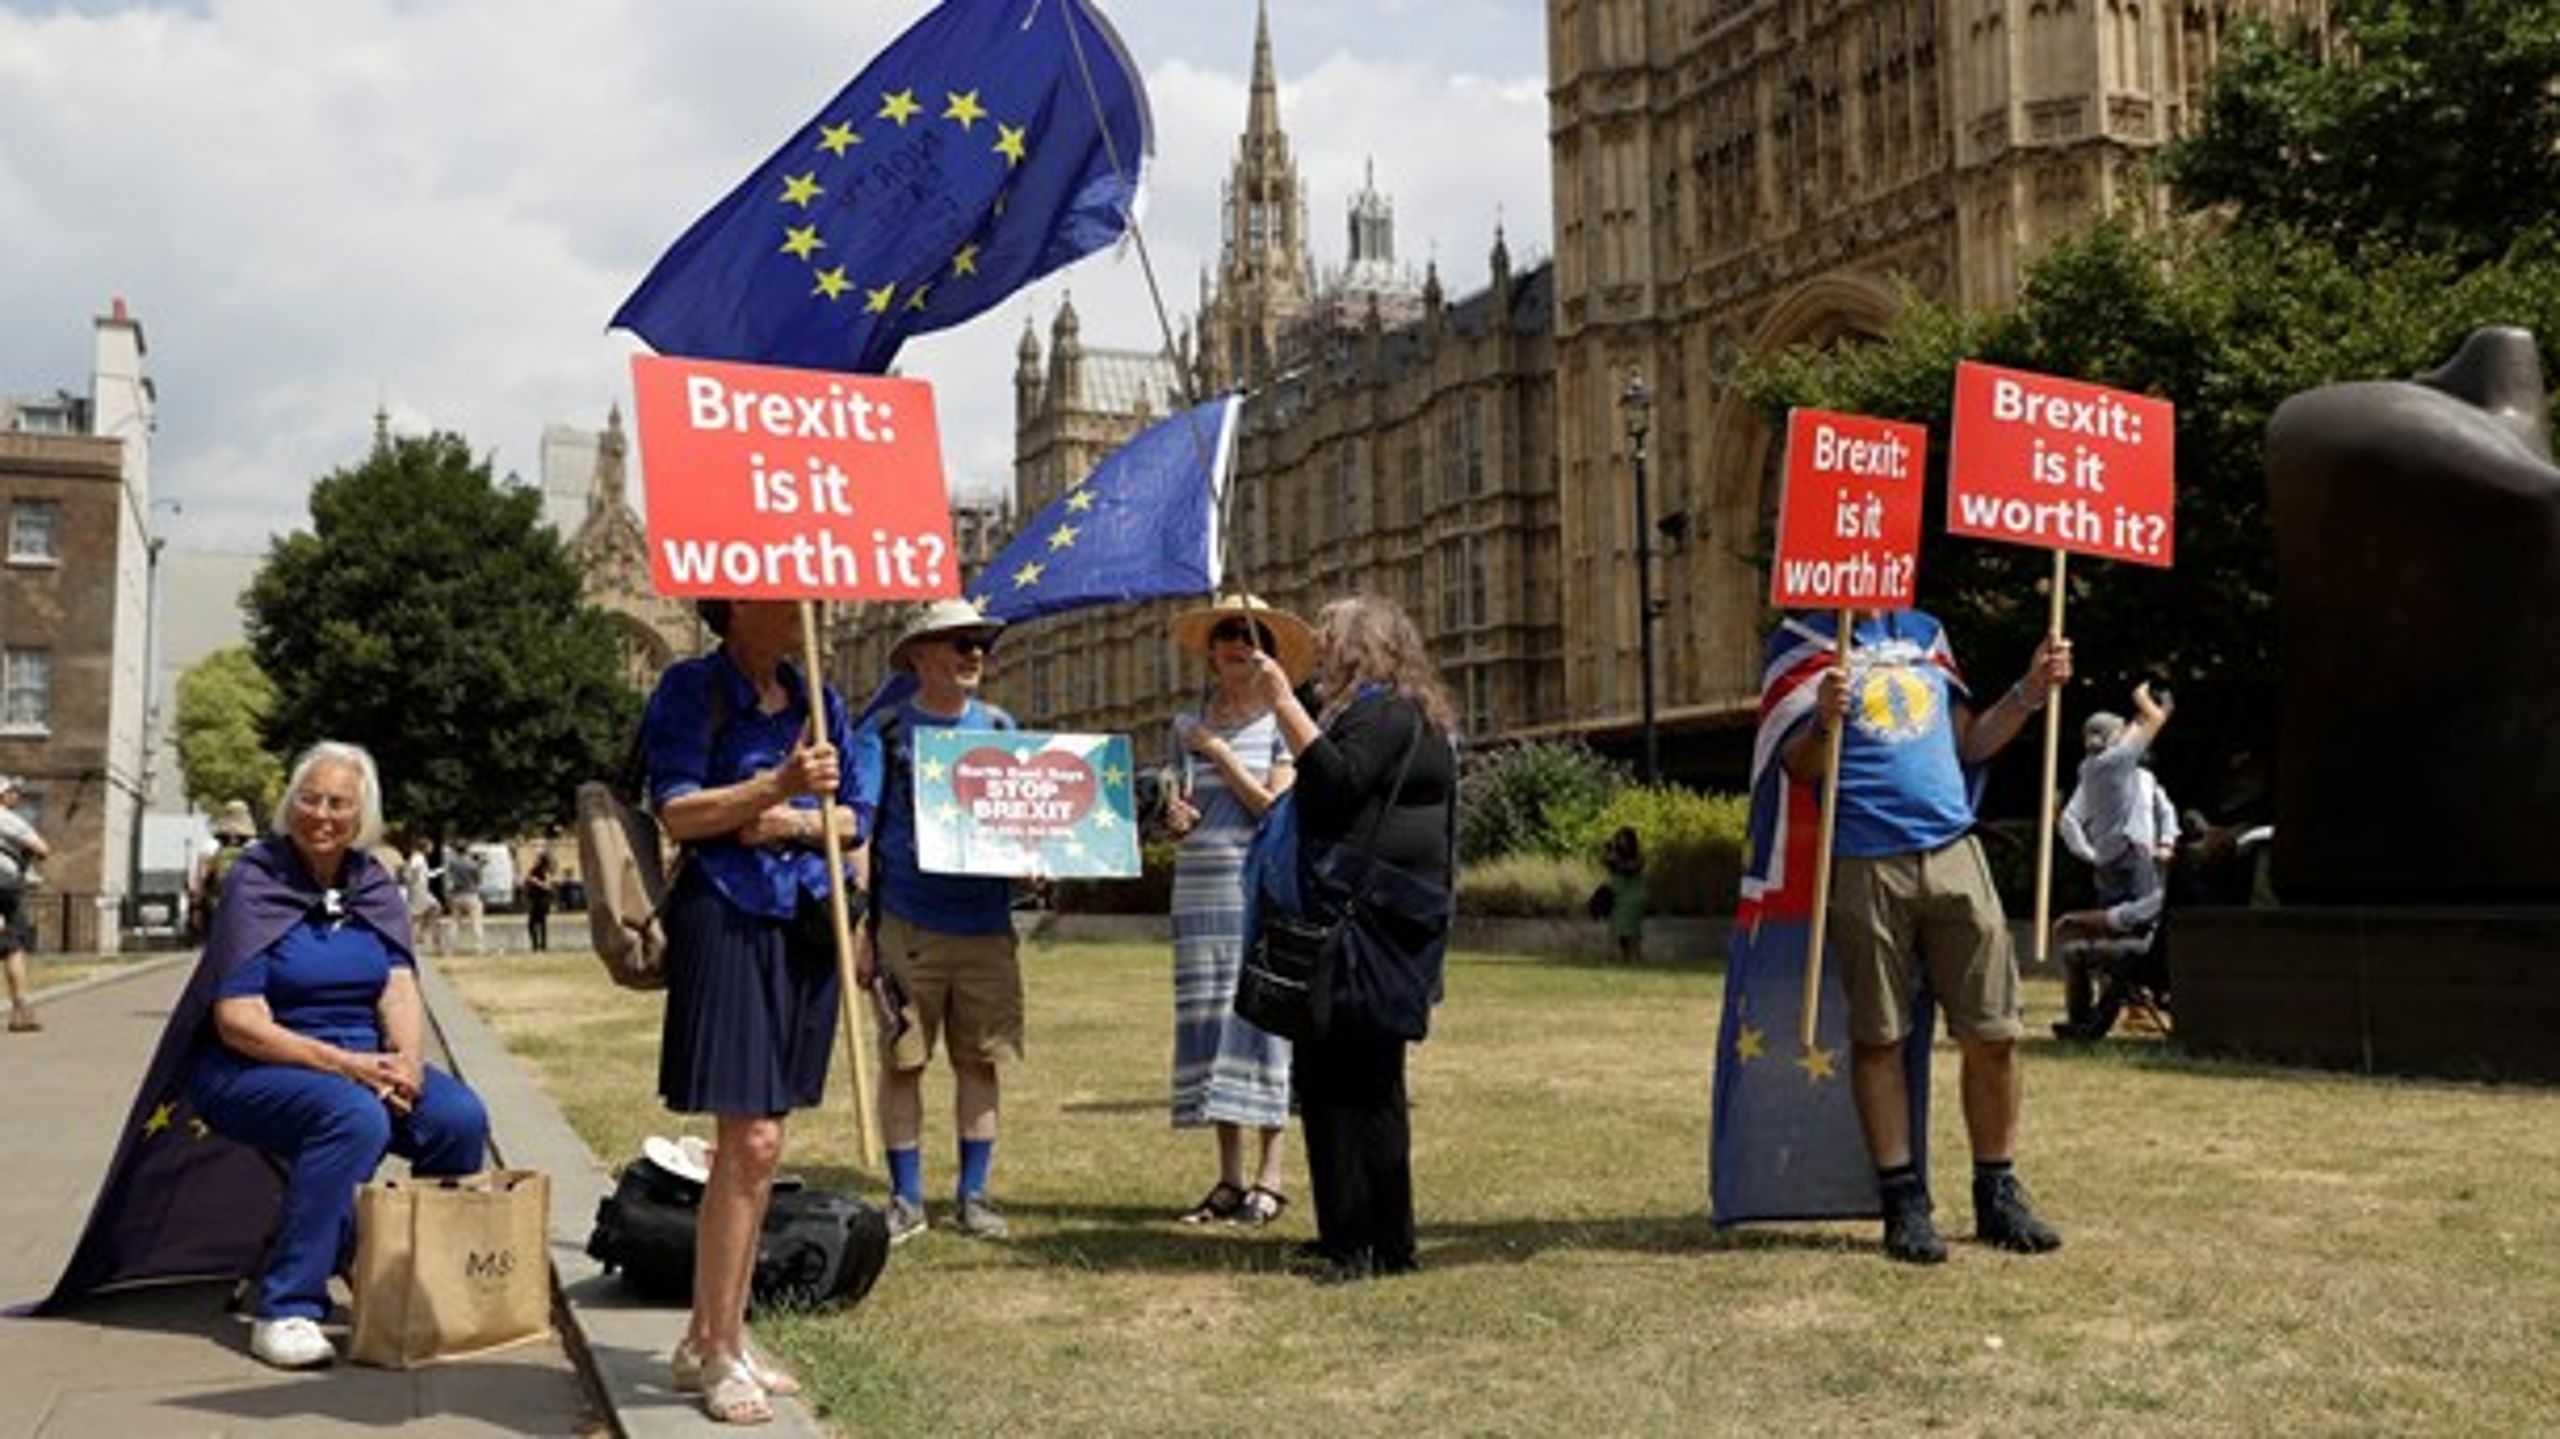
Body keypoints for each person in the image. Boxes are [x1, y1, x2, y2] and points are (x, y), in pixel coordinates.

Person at [1777, 610, 2069, 1264]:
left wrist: (2029, 688)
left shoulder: (1930, 632)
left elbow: (1970, 743)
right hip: (1862, 856)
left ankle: (1997, 1190)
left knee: (1994, 1030)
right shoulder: (1811, 639)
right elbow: (1798, 767)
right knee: (1881, 1034)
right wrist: (1824, 717)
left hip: (1953, 848)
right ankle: (1903, 1200)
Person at [187, 743, 489, 1367]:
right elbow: (239, 1020)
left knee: (458, 1117)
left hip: (366, 1062)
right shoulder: (256, 877)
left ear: (362, 817)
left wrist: (404, 1060)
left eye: (339, 803)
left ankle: (428, 1285)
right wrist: (351, 1067)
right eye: (310, 799)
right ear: (289, 804)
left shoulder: (372, 882)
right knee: (353, 1117)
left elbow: (399, 985)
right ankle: (288, 1306)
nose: (322, 814)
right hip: (256, 1066)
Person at [643, 597, 860, 1425]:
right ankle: (722, 1348)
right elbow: (681, 811)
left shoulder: (823, 701)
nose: (807, 606)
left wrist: (786, 818)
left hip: (802, 921)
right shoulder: (691, 689)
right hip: (726, 917)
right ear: (733, 607)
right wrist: (773, 787)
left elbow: (854, 816)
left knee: (761, 1148)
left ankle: (707, 1336)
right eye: (783, 594)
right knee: (751, 1137)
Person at [1246, 595, 1457, 1284]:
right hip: (1375, 916)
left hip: (1367, 921)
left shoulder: (1388, 711)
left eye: (1329, 636)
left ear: (1363, 645)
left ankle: (1367, 1244)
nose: (1319, 648)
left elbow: (1336, 784)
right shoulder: (1391, 708)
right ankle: (1360, 1233)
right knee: (1337, 1075)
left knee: (1353, 1081)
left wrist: (1282, 703)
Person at [849, 599, 1022, 1247]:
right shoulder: (886, 733)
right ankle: (906, 1198)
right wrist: (860, 924)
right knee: (905, 1063)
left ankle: (973, 1194)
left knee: (981, 1061)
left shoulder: (1002, 728)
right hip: (908, 926)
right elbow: (859, 831)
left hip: (985, 923)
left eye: (979, 642)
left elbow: (1024, 824)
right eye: (957, 642)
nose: (974, 653)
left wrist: (1037, 865)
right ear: (920, 656)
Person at [1161, 595, 1310, 1227]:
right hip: (1197, 886)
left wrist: (1218, 752)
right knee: (1211, 1027)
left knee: (1263, 1025)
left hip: (1256, 889)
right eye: (1225, 635)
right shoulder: (1185, 722)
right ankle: (1227, 1177)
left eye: (1250, 637)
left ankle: (1271, 1178)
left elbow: (1271, 809)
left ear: (1268, 655)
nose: (1236, 645)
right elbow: (1177, 806)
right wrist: (1173, 816)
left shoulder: (1283, 723)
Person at [2054, 683, 2178, 1038]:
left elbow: (2069, 821)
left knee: (2114, 944)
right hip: (2133, 859)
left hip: (2107, 865)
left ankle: (2090, 1021)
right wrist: (2145, 697)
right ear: (2115, 737)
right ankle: (2104, 1019)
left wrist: (2090, 854)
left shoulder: (2088, 769)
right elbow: (2155, 718)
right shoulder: (2120, 761)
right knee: (2135, 941)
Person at [0, 776, 52, 1032]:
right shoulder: (8, 820)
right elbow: (43, 848)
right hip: (5, 889)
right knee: (12, 947)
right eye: (11, 792)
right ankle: (21, 1010)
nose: (16, 797)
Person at [192, 798, 259, 941]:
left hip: (218, 909)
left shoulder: (209, 848)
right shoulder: (256, 848)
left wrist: (197, 909)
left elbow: (200, 882)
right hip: (248, 911)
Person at [1600, 825, 1647, 964]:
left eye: (1625, 839)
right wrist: (1607, 851)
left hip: (1634, 897)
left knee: (1632, 930)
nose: (1622, 842)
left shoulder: (1639, 855)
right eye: (1619, 839)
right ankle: (1623, 958)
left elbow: (1630, 868)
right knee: (1618, 930)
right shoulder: (1614, 855)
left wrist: (1615, 861)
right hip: (1618, 895)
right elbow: (1603, 861)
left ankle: (1638, 957)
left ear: (1631, 841)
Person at [400, 839, 442, 955]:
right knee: (417, 916)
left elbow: (424, 874)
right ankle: (415, 940)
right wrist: (412, 881)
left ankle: (422, 935)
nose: (432, 848)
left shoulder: (420, 858)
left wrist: (437, 872)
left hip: (422, 889)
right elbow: (411, 872)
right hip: (418, 890)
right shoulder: (418, 858)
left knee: (434, 908)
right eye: (430, 846)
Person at [445, 843, 487, 955]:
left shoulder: (452, 863)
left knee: (454, 922)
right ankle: (479, 947)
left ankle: (450, 948)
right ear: (467, 850)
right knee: (476, 921)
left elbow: (450, 876)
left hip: (457, 894)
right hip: (471, 894)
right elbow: (478, 880)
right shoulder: (472, 864)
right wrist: (480, 866)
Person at [522, 848, 557, 954]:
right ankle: (536, 945)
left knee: (539, 923)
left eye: (537, 857)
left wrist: (535, 881)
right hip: (534, 899)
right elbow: (527, 880)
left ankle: (541, 946)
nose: (535, 859)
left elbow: (547, 886)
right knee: (533, 924)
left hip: (542, 900)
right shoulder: (534, 869)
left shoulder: (545, 870)